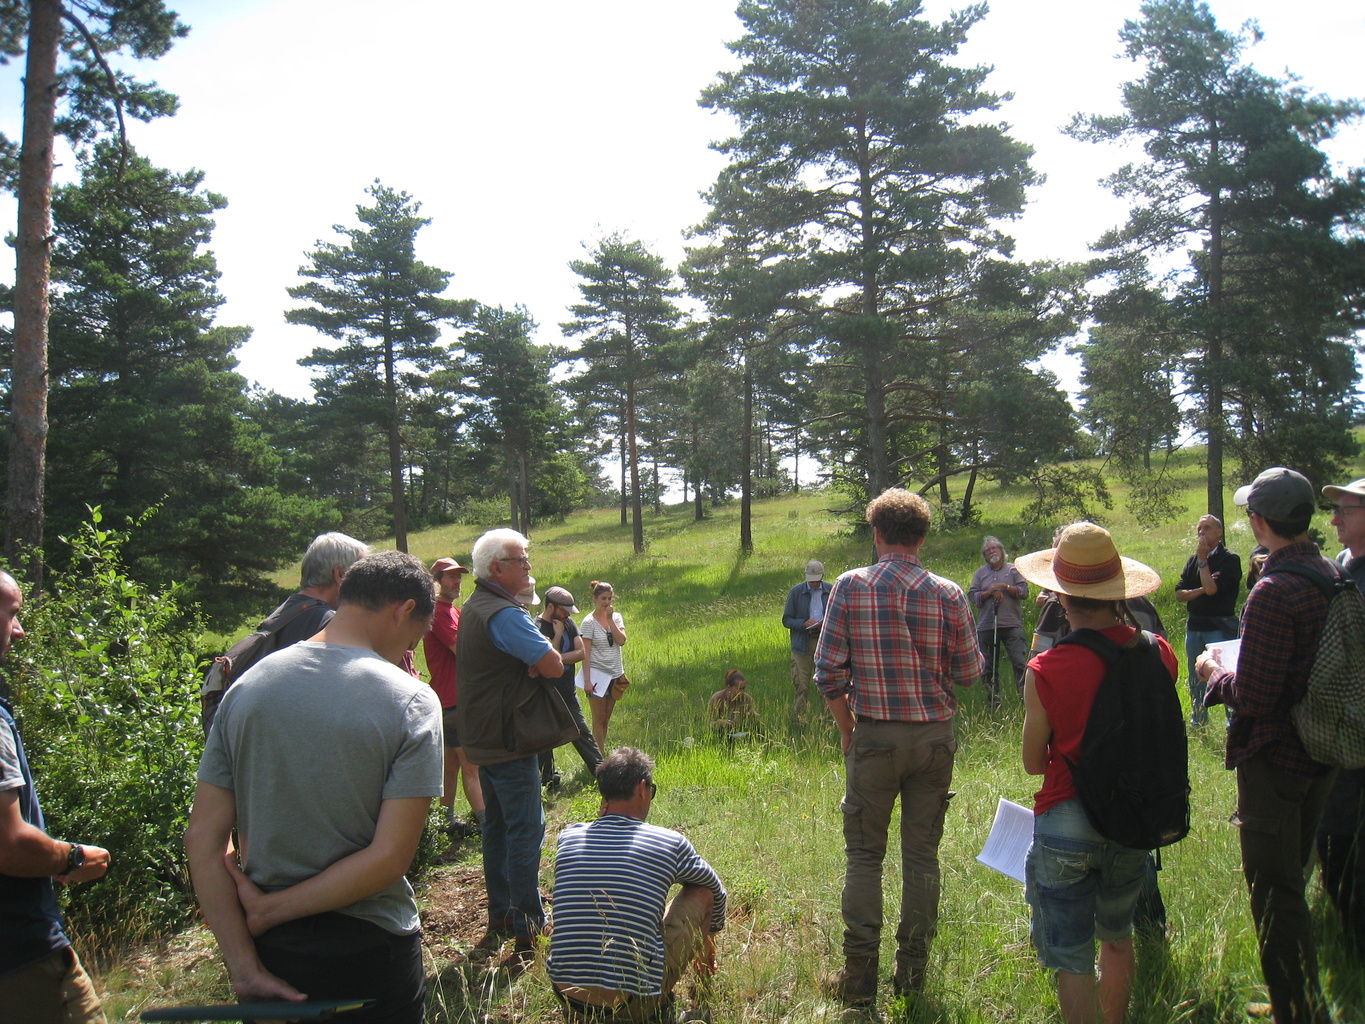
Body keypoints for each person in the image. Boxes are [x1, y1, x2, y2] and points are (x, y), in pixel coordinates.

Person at [185, 551, 443, 1024]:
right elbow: (389, 859)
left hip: (270, 955)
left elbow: (202, 839)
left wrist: (243, 966)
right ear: (404, 610)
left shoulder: (246, 688)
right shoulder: (411, 700)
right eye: (415, 636)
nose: (409, 649)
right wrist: (271, 911)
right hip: (370, 950)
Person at [814, 488, 983, 1005]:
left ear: (877, 533)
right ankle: (912, 974)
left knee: (864, 857)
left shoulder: (850, 586)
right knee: (922, 860)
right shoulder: (949, 592)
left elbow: (827, 673)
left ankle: (859, 975)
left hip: (875, 737)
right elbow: (972, 674)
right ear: (924, 536)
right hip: (933, 741)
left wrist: (847, 727)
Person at [1016, 523, 1178, 1024]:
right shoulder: (1158, 652)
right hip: (1132, 818)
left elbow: (1030, 762)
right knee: (1118, 938)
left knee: (1071, 960)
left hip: (1066, 818)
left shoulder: (1045, 668)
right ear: (1117, 591)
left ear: (1061, 597)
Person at [1196, 468, 1336, 1024]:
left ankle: (1299, 1010)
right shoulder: (1329, 573)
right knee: (1294, 878)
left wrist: (1212, 671)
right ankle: (1298, 997)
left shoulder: (1275, 592)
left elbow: (1253, 695)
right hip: (1323, 748)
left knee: (1275, 894)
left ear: (1258, 521)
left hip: (1277, 758)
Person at [0, 571, 111, 1024]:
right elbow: (10, 845)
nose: (19, 630)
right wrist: (72, 858)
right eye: (11, 615)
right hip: (19, 958)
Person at [548, 747, 725, 1022]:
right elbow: (716, 890)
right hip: (630, 1004)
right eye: (652, 790)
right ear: (642, 789)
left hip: (569, 999)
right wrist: (708, 945)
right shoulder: (669, 842)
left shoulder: (568, 837)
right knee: (701, 891)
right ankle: (680, 998)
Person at [455, 529, 565, 969]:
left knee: (498, 827)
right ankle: (528, 924)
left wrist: (531, 666)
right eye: (521, 560)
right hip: (508, 739)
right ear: (496, 568)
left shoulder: (476, 606)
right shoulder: (504, 614)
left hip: (483, 736)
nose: (529, 565)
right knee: (525, 828)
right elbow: (554, 665)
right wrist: (535, 666)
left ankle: (502, 912)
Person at [201, 531, 369, 732]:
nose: (368, 586)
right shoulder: (330, 625)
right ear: (340, 575)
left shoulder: (282, 613)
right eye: (362, 575)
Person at [1316, 477, 1365, 951]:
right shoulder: (1338, 568)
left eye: (1346, 511)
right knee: (1335, 831)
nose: (1333, 519)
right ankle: (1348, 927)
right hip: (1338, 728)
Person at [422, 556, 485, 838]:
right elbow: (463, 651)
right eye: (450, 577)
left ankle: (445, 822)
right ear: (436, 582)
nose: (457, 582)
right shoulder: (439, 611)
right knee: (472, 766)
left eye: (459, 577)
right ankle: (488, 824)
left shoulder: (451, 611)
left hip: (447, 701)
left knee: (452, 765)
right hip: (455, 700)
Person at [1175, 515, 1241, 726]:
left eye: (1207, 528)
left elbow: (1212, 590)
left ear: (1219, 532)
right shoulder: (1193, 560)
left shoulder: (1229, 559)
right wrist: (1203, 589)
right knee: (1197, 676)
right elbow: (1179, 594)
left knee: (1224, 673)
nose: (1202, 533)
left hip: (1219, 628)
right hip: (1195, 626)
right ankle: (1199, 720)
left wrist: (1203, 561)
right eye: (1199, 529)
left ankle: (1233, 722)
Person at [535, 586, 601, 792]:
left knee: (582, 731)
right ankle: (549, 782)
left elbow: (581, 652)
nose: (567, 615)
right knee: (544, 739)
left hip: (566, 691)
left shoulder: (569, 622)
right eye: (564, 611)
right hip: (544, 693)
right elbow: (541, 661)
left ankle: (603, 773)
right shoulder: (536, 627)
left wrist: (556, 659)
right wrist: (557, 636)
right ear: (551, 607)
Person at [968, 536, 1030, 706]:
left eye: (995, 548)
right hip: (987, 626)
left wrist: (1005, 587)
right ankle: (994, 701)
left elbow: (1024, 592)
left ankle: (1025, 700)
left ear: (1002, 551)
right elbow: (973, 595)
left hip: (1011, 625)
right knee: (988, 667)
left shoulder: (1013, 570)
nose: (992, 551)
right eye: (988, 550)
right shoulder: (981, 573)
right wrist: (989, 592)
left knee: (1019, 662)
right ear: (985, 556)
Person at [580, 580, 628, 755]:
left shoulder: (616, 617)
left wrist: (609, 619)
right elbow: (585, 653)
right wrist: (587, 680)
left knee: (606, 718)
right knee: (598, 719)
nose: (607, 602)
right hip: (596, 676)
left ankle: (601, 750)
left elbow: (621, 641)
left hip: (615, 674)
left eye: (609, 598)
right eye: (603, 598)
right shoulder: (588, 622)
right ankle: (599, 758)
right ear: (595, 598)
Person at [782, 560, 833, 725]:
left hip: (824, 643)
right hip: (802, 645)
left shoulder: (831, 590)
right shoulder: (796, 592)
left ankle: (827, 719)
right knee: (802, 685)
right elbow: (787, 620)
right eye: (811, 579)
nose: (814, 582)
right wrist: (803, 623)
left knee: (825, 684)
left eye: (816, 579)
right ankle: (799, 720)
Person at [707, 669, 761, 740]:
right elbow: (709, 723)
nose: (742, 692)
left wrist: (753, 716)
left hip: (743, 734)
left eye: (743, 688)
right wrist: (721, 723)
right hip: (721, 735)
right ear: (729, 687)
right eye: (739, 689)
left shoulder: (747, 699)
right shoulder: (717, 699)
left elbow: (756, 724)